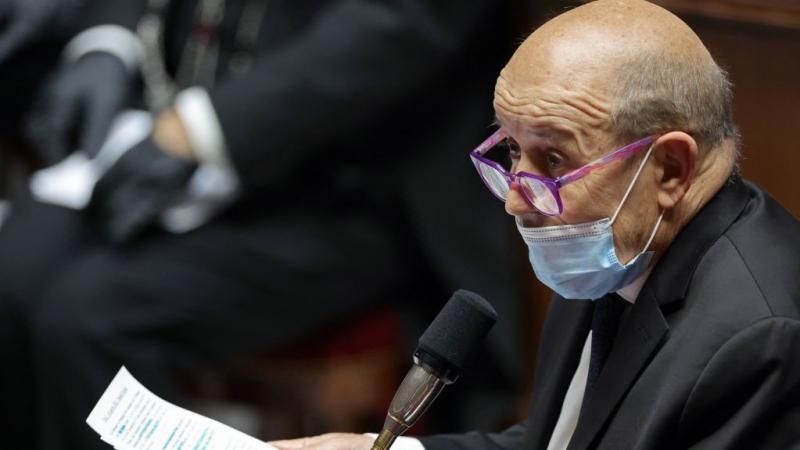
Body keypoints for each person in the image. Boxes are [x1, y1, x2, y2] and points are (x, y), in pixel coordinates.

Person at [271, 1, 800, 449]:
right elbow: (556, 440)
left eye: (554, 160)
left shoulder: (760, 342)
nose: (516, 201)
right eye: (511, 150)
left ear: (670, 170)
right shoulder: (614, 246)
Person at [0, 1, 524, 449]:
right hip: (154, 134)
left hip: (350, 185)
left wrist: (206, 130)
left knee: (88, 315)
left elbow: (405, 20)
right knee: (13, 271)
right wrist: (106, 42)